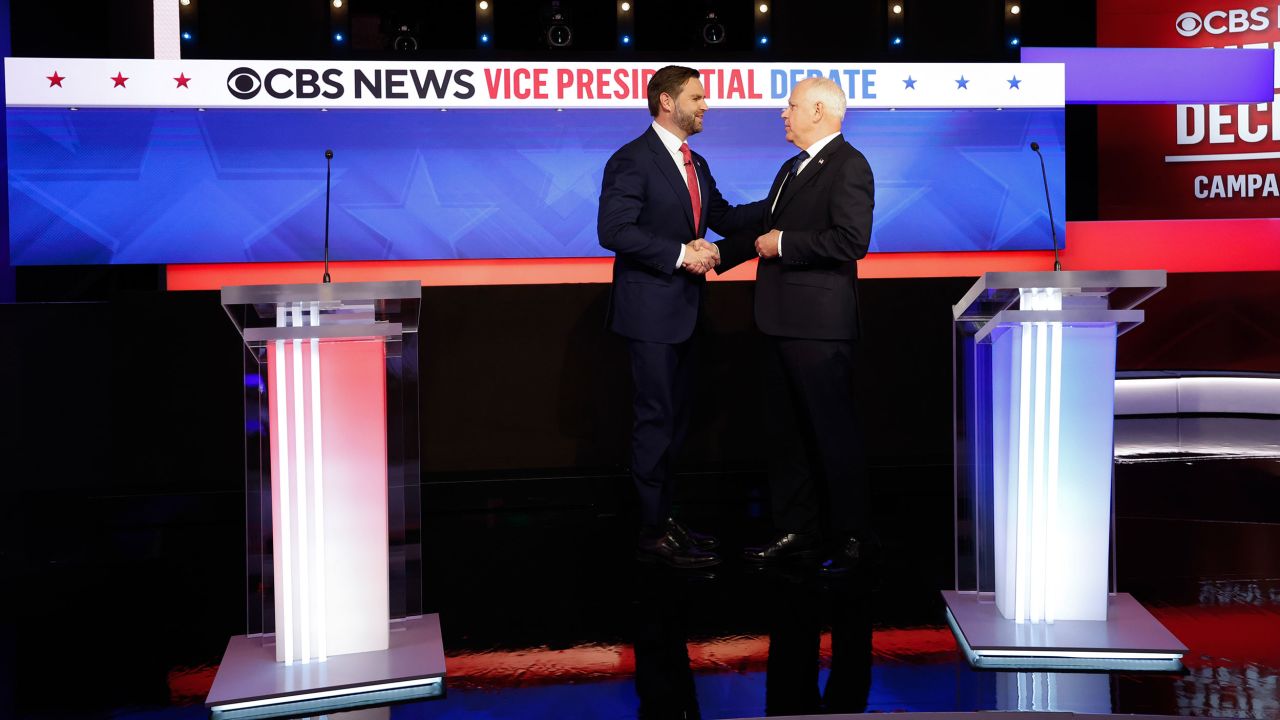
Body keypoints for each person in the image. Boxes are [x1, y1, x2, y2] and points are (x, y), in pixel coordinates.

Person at [598, 65, 766, 569]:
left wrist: (783, 198)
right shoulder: (631, 160)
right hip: (650, 315)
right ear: (667, 102)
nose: (706, 105)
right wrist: (679, 253)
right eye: (698, 96)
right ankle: (651, 532)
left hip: (687, 315)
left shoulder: (697, 162)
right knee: (655, 422)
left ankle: (667, 520)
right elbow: (614, 231)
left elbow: (728, 219)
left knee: (675, 424)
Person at [714, 77, 877, 575]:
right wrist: (713, 243)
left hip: (819, 329)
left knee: (831, 435)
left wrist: (784, 244)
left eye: (790, 106)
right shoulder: (792, 167)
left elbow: (851, 240)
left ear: (820, 110)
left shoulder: (850, 165)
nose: (783, 114)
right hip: (780, 323)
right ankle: (796, 532)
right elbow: (760, 223)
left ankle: (852, 540)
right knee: (785, 436)